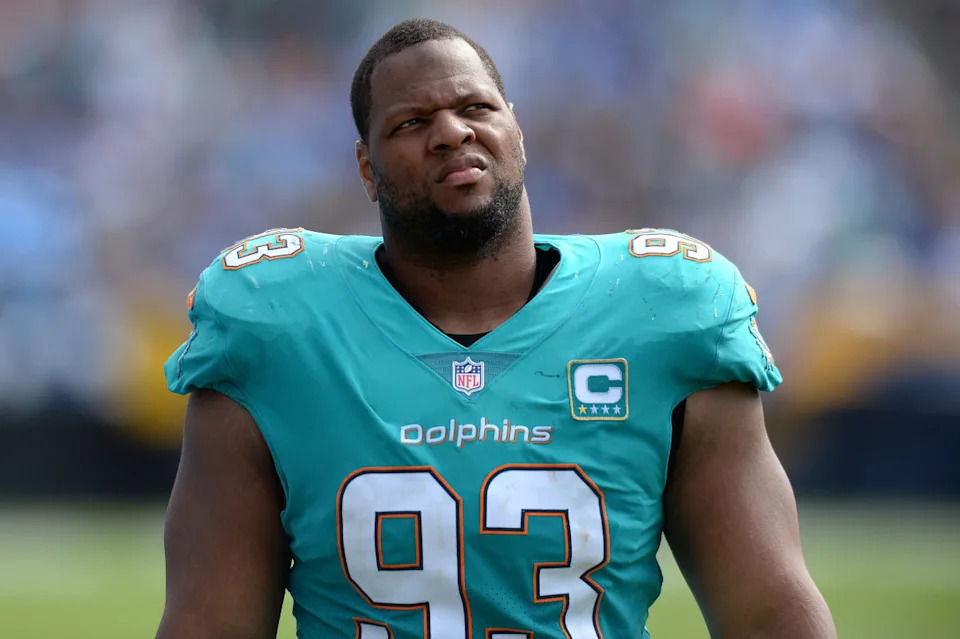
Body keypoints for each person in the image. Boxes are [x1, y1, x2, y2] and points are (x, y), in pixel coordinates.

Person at [156, 18, 836, 639]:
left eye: (476, 108)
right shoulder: (274, 322)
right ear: (367, 169)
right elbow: (208, 624)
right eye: (412, 122)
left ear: (517, 131)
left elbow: (769, 610)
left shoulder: (668, 308)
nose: (451, 132)